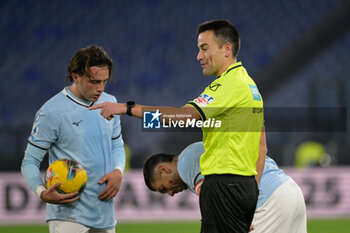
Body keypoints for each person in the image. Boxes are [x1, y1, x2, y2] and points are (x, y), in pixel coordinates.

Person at [89, 19, 264, 232]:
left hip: (225, 184)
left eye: (204, 48)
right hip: (242, 185)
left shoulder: (228, 85)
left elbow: (182, 117)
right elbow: (261, 146)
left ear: (227, 49)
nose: (198, 56)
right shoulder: (249, 85)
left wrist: (128, 109)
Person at [21, 45, 126, 233]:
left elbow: (117, 144)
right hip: (68, 217)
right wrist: (41, 192)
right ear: (76, 76)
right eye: (94, 82)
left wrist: (118, 171)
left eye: (104, 82)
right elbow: (30, 160)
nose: (100, 88)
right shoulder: (51, 112)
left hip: (104, 213)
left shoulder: (110, 103)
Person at [143, 141, 307, 233]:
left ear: (163, 169)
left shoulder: (185, 164)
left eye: (164, 188)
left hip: (268, 200)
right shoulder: (203, 149)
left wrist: (240, 214)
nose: (171, 194)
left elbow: (214, 204)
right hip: (289, 189)